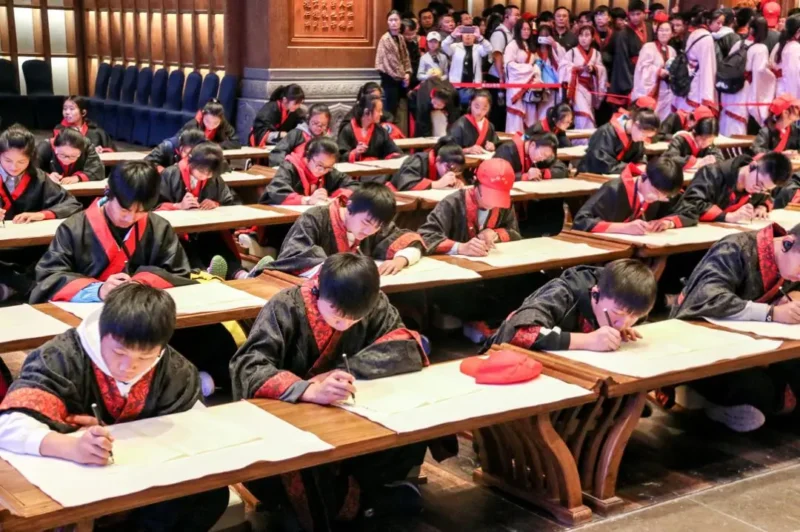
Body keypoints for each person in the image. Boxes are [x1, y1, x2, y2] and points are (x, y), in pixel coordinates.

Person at [0, 283, 230, 530]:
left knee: (211, 495)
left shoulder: (175, 369)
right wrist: (71, 446)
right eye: (119, 353)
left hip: (143, 474)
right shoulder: (62, 357)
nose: (128, 367)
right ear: (101, 332)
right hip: (75, 476)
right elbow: (8, 425)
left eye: (144, 357)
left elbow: (196, 427)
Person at [230, 253, 429, 530]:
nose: (345, 324)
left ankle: (367, 499)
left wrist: (344, 371)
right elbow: (248, 366)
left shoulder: (374, 303)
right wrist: (308, 389)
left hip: (353, 416)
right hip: (290, 424)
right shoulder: (286, 307)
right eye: (337, 315)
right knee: (307, 486)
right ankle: (365, 504)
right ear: (318, 288)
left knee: (414, 429)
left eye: (355, 319)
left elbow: (404, 346)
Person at [670, 223, 800, 432]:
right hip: (706, 342)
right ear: (788, 243)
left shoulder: (789, 262)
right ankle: (701, 397)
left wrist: (794, 298)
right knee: (757, 390)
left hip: (758, 342)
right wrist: (771, 312)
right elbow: (708, 299)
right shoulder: (734, 248)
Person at [30, 160, 192, 303]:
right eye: (124, 209)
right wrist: (99, 290)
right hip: (83, 314)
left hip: (143, 312)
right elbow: (49, 278)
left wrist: (139, 284)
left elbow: (178, 273)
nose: (131, 218)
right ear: (108, 191)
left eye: (142, 211)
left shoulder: (159, 227)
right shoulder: (73, 228)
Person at [486, 259, 657, 352]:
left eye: (634, 317)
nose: (623, 323)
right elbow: (519, 332)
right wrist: (588, 340)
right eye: (617, 313)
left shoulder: (618, 303)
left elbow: (624, 318)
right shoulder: (562, 292)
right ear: (595, 294)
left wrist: (619, 328)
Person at [265, 183, 424, 277]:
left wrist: (400, 259)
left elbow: (408, 240)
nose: (369, 231)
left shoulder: (373, 223)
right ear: (349, 207)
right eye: (366, 222)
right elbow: (294, 258)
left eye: (377, 227)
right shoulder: (314, 218)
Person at [0, 126, 82, 302]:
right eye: (7, 160)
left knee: (56, 254)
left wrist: (42, 214)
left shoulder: (39, 178)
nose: (14, 167)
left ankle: (13, 287)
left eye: (21, 161)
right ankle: (28, 288)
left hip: (27, 248)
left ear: (31, 158)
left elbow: (72, 204)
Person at [156, 142, 246, 280]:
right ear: (191, 162)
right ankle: (203, 274)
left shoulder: (213, 178)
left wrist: (216, 203)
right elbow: (154, 207)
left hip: (203, 228)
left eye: (210, 172)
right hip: (178, 232)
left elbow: (229, 200)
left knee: (215, 239)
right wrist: (177, 205)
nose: (206, 175)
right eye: (202, 171)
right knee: (185, 246)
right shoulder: (170, 174)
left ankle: (239, 273)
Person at [419, 158, 520, 255]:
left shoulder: (503, 204)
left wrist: (495, 234)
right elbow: (425, 236)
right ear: (476, 181)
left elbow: (515, 233)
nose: (494, 202)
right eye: (490, 194)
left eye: (499, 196)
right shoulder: (452, 204)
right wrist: (460, 248)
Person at [573, 156, 694, 234]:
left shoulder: (663, 192)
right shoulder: (614, 189)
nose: (657, 198)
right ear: (644, 177)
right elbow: (580, 221)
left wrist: (668, 223)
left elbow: (691, 211)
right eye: (656, 193)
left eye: (664, 197)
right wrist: (623, 228)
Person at [675, 152, 792, 223]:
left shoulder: (759, 186)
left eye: (764, 189)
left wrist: (762, 207)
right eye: (759, 184)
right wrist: (728, 216)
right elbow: (691, 204)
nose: (759, 190)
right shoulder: (712, 173)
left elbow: (767, 199)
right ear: (752, 166)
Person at [493, 132, 569, 236]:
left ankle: (548, 236)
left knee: (553, 202)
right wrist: (524, 177)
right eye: (542, 154)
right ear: (532, 145)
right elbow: (495, 176)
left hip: (530, 201)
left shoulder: (542, 156)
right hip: (508, 201)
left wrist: (542, 173)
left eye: (546, 157)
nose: (542, 159)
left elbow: (562, 169)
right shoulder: (507, 150)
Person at [720, 16, 776, 137]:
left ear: (750, 29)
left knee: (728, 117)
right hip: (744, 88)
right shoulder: (761, 48)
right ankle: (735, 148)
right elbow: (761, 72)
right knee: (739, 121)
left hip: (730, 86)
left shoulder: (738, 43)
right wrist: (773, 73)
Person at [260, 137, 358, 206]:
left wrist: (337, 198)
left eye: (329, 167)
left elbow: (354, 185)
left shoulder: (328, 171)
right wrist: (306, 200)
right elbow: (275, 192)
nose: (323, 171)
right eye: (319, 165)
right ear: (308, 157)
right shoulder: (290, 167)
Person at [577, 108, 660, 174]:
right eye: (644, 135)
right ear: (636, 124)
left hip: (617, 175)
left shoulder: (636, 136)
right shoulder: (606, 132)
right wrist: (631, 168)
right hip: (591, 174)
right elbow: (602, 164)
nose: (644, 138)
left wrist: (642, 165)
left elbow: (639, 157)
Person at [559, 24, 607, 131]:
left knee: (588, 112)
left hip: (589, 88)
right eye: (581, 35)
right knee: (583, 113)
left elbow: (602, 69)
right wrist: (576, 69)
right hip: (577, 87)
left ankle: (585, 137)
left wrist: (594, 69)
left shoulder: (596, 54)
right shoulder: (572, 52)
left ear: (592, 38)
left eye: (587, 35)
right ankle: (582, 137)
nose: (583, 38)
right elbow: (563, 66)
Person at [608, 0, 653, 110]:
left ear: (644, 13)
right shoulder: (623, 34)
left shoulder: (649, 27)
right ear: (628, 15)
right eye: (632, 14)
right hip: (631, 74)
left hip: (648, 73)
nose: (635, 17)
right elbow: (622, 61)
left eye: (638, 14)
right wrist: (630, 85)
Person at [674, 11, 718, 116]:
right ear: (708, 21)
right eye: (717, 22)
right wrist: (708, 97)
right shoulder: (706, 38)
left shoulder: (694, 33)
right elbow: (708, 68)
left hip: (687, 78)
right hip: (698, 84)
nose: (719, 26)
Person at [337, 94, 403, 165]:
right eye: (378, 111)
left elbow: (393, 150)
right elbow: (339, 156)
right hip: (354, 170)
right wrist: (355, 153)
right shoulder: (348, 130)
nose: (381, 114)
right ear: (367, 112)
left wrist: (394, 155)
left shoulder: (380, 131)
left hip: (378, 169)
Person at [632, 19, 676, 121]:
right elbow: (642, 68)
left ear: (672, 34)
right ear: (656, 32)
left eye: (667, 30)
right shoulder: (648, 47)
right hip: (651, 89)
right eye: (661, 30)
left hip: (666, 92)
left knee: (664, 119)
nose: (664, 33)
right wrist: (658, 71)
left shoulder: (672, 51)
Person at [504, 18, 542, 133]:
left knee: (530, 117)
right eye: (523, 29)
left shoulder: (530, 45)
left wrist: (537, 66)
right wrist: (530, 69)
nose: (526, 32)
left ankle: (529, 141)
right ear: (518, 30)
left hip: (529, 86)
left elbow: (536, 62)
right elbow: (509, 66)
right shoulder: (512, 45)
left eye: (528, 29)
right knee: (516, 118)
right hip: (516, 87)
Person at [487, 5, 520, 131]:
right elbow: (497, 55)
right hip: (497, 76)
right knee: (497, 109)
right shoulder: (499, 33)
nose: (518, 18)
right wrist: (501, 77)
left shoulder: (513, 33)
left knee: (504, 110)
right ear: (506, 16)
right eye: (516, 15)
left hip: (508, 77)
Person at [442, 24, 493, 106]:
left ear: (474, 35)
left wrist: (480, 37)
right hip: (456, 85)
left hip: (473, 86)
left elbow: (489, 48)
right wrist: (453, 35)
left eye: (471, 32)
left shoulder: (479, 48)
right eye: (465, 32)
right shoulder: (455, 47)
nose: (468, 35)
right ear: (462, 35)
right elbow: (444, 45)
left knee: (471, 108)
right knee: (455, 108)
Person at [389, 136, 465, 191]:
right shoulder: (418, 160)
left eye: (456, 171)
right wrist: (436, 184)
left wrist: (457, 183)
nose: (452, 173)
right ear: (438, 159)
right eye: (449, 168)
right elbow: (405, 185)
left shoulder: (448, 165)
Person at [376, 10, 412, 122]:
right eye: (390, 20)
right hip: (390, 79)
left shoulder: (400, 37)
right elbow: (391, 62)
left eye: (396, 20)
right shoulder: (385, 39)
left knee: (401, 109)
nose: (393, 23)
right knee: (390, 111)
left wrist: (408, 72)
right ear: (387, 22)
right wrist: (403, 76)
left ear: (400, 21)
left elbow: (405, 57)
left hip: (401, 78)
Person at [268, 103, 332, 167]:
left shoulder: (327, 139)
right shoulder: (297, 134)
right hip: (295, 169)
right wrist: (280, 167)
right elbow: (279, 151)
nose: (319, 127)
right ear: (308, 119)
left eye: (323, 125)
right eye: (315, 123)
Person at [35, 128, 104, 184]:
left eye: (73, 156)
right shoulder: (45, 147)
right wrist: (47, 177)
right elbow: (32, 168)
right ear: (55, 147)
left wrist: (78, 178)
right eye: (62, 155)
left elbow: (97, 169)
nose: (67, 160)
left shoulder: (86, 146)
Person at [447, 90, 500, 154]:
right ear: (470, 103)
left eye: (484, 108)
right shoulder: (459, 125)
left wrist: (493, 146)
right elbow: (448, 149)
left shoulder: (489, 126)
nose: (479, 112)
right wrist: (467, 150)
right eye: (476, 107)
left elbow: (496, 144)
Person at [532, 24, 564, 122]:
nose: (544, 38)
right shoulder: (534, 50)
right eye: (541, 35)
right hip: (539, 88)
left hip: (552, 88)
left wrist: (554, 45)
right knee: (539, 114)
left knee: (551, 114)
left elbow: (563, 62)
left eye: (546, 35)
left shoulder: (555, 47)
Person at [771, 15, 800, 101]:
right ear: (798, 31)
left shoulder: (780, 44)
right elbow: (793, 77)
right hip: (789, 95)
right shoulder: (795, 48)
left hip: (780, 91)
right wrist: (794, 100)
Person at [403, 18, 422, 89]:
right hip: (403, 77)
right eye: (407, 34)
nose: (410, 37)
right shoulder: (399, 45)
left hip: (414, 77)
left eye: (413, 34)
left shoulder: (414, 44)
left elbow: (417, 60)